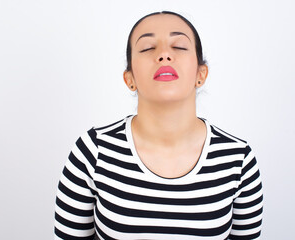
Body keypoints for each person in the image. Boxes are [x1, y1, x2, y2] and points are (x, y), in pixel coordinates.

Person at [54, 11, 263, 240]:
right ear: (129, 79)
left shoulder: (238, 160)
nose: (164, 54)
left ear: (200, 74)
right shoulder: (93, 152)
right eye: (147, 48)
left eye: (179, 47)